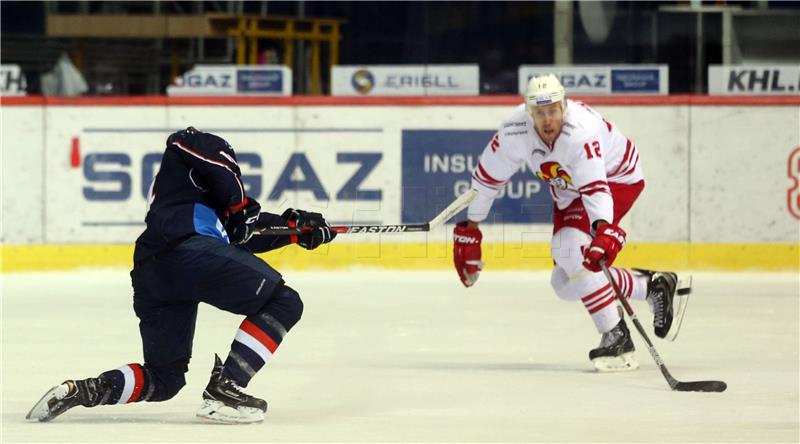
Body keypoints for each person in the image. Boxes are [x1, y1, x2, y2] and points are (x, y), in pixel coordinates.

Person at [26, 127, 336, 424]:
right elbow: (193, 147)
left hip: (154, 271)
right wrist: (241, 205)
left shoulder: (198, 206)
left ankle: (82, 391)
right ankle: (226, 389)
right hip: (188, 254)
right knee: (284, 302)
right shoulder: (189, 158)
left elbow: (241, 236)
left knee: (164, 378)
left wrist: (296, 232)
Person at [452, 74, 690, 372]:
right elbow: (486, 180)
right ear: (529, 113)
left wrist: (604, 229)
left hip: (615, 178)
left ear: (563, 106)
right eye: (540, 113)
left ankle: (617, 335)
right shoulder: (514, 131)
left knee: (567, 247)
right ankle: (650, 287)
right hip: (568, 191)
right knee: (564, 283)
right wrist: (470, 229)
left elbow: (595, 188)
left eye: (553, 110)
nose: (548, 119)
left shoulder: (581, 131)